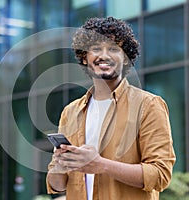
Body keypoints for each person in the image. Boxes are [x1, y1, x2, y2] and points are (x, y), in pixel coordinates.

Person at [46, 16, 176, 200]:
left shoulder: (148, 105)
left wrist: (100, 164)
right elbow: (57, 185)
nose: (104, 55)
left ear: (125, 58)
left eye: (114, 48)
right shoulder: (70, 112)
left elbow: (160, 175)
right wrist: (60, 165)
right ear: (84, 58)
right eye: (96, 48)